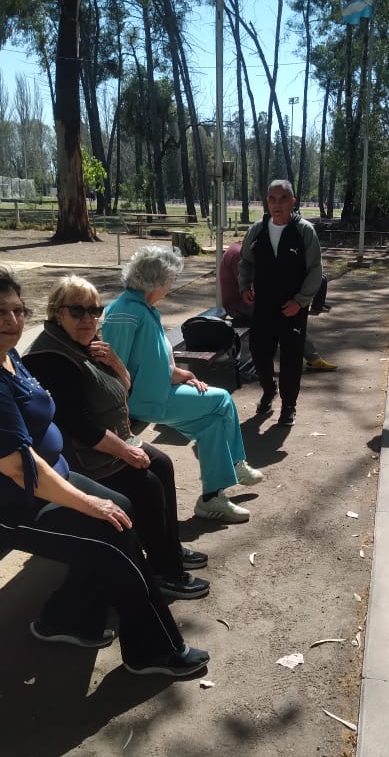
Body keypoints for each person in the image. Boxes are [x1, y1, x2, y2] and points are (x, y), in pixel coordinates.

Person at [0, 267, 209, 679]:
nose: (11, 321)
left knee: (122, 508)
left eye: (17, 310)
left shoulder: (12, 359)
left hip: (54, 477)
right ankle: (152, 649)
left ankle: (66, 618)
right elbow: (20, 468)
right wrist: (89, 502)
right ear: (58, 312)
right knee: (110, 530)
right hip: (18, 503)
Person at [24, 275, 209, 601]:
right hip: (80, 456)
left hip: (107, 441)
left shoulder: (87, 345)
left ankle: (168, 548)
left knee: (162, 464)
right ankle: (165, 571)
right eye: (77, 311)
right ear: (57, 312)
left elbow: (122, 390)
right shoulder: (51, 357)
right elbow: (79, 426)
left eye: (94, 311)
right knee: (147, 484)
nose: (88, 319)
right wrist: (125, 451)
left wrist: (116, 364)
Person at [102, 246, 263, 524]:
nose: (172, 285)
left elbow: (149, 361)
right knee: (222, 399)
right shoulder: (126, 312)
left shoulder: (142, 308)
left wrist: (182, 374)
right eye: (171, 279)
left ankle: (211, 498)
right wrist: (120, 415)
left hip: (158, 392)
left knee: (212, 425)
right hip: (145, 401)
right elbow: (114, 366)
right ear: (156, 280)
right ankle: (236, 463)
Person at [238, 180, 324, 427]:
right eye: (272, 199)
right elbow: (245, 262)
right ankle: (269, 389)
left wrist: (300, 301)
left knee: (291, 358)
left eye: (283, 198)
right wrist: (244, 286)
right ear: (267, 202)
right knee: (259, 352)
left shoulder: (304, 231)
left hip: (293, 308)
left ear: (292, 202)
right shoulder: (257, 230)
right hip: (263, 305)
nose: (277, 204)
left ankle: (289, 406)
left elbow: (315, 270)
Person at [219, 240, 337, 372]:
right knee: (286, 317)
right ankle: (312, 358)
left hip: (245, 303)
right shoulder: (238, 256)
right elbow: (252, 288)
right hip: (238, 306)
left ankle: (309, 357)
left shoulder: (242, 250)